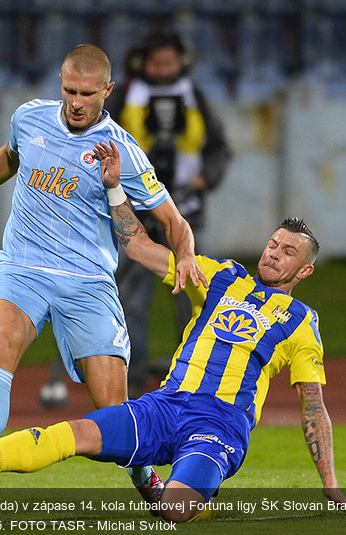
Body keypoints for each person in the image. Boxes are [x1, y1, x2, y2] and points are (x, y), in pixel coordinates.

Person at [0, 140, 346, 522]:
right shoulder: (220, 277)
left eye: (288, 252)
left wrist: (330, 480)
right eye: (273, 244)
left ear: (305, 269)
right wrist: (114, 188)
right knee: (79, 433)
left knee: (174, 510)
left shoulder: (301, 322)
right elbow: (138, 247)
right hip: (166, 406)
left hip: (220, 426)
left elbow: (313, 406)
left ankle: (189, 490)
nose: (274, 254)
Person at [0, 45, 202, 504]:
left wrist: (184, 255)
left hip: (88, 282)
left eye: (87, 93)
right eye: (69, 90)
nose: (76, 101)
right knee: (0, 343)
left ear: (108, 90)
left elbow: (173, 220)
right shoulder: (29, 118)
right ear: (60, 83)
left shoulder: (120, 149)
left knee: (111, 406)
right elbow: (10, 156)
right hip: (22, 268)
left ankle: (145, 476)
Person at [40, 28, 231, 404]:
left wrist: (206, 177)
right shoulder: (124, 96)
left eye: (171, 62)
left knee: (195, 294)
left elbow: (219, 148)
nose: (164, 69)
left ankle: (194, 379)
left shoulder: (196, 97)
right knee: (129, 300)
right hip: (131, 211)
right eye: (157, 62)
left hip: (183, 209)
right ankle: (133, 379)